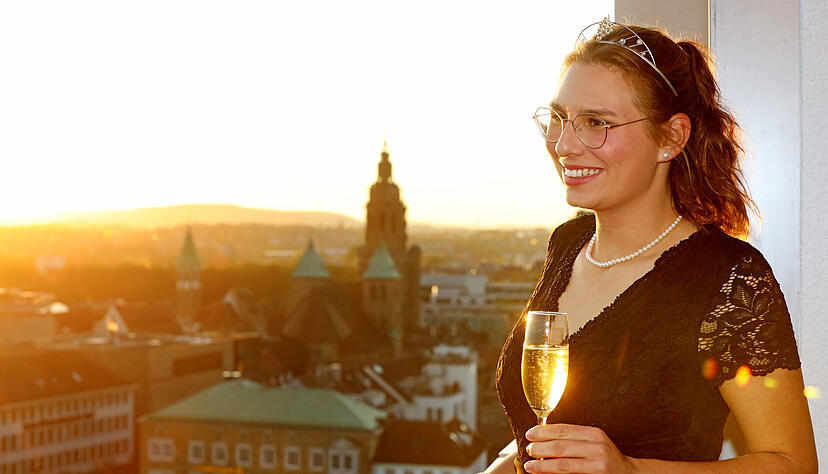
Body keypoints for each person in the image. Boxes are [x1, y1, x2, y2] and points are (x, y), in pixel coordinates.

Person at [489, 19, 818, 474]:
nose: (563, 144)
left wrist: (632, 471)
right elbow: (535, 444)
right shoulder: (568, 244)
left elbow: (792, 464)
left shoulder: (729, 278)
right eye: (560, 119)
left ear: (671, 137)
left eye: (595, 123)